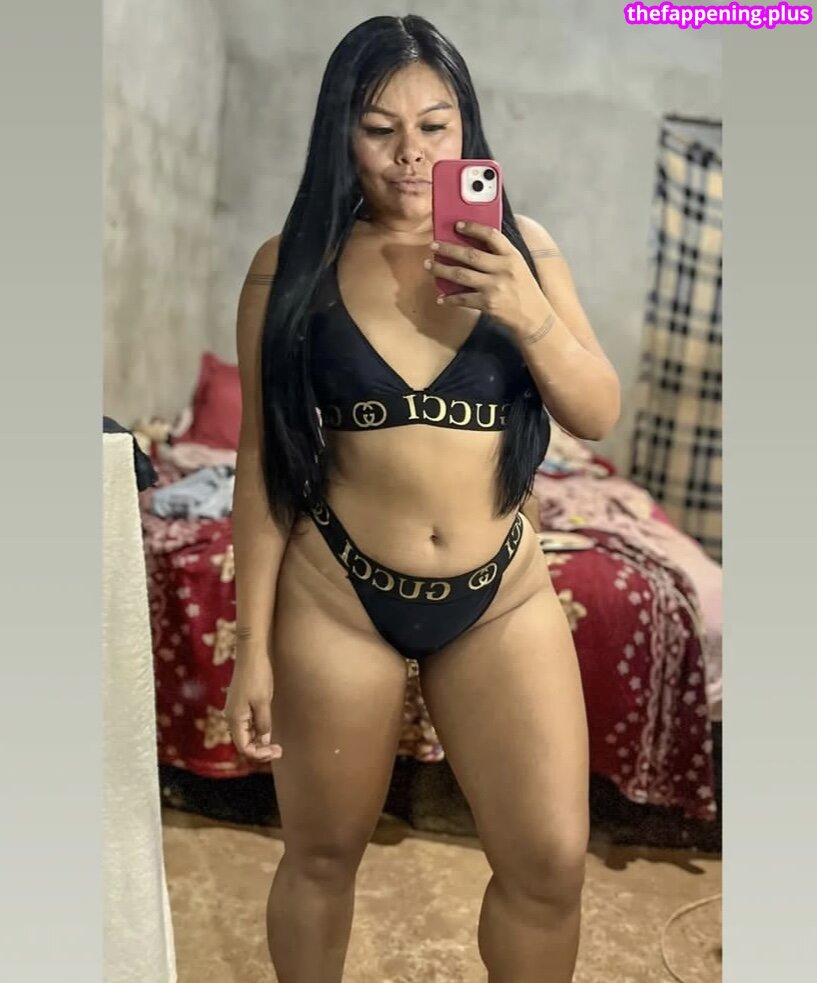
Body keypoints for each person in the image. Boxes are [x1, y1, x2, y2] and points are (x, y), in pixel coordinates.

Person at [223, 14, 620, 982]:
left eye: (434, 126)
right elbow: (261, 457)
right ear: (340, 132)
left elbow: (597, 411)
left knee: (548, 864)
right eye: (379, 128)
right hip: (337, 594)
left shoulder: (523, 249)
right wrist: (252, 647)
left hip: (501, 596)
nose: (409, 153)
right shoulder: (290, 264)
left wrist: (523, 308)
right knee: (321, 855)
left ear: (466, 129)